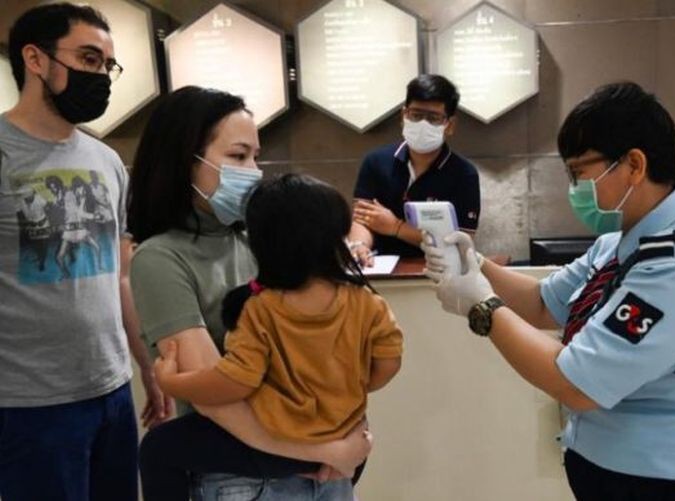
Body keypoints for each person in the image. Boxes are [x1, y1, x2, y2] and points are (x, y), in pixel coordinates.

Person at [422, 82, 675, 500]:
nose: (575, 188)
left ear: (634, 165)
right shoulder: (621, 243)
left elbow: (576, 384)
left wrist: (483, 307)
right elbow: (543, 304)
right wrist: (475, 264)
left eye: (580, 172)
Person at [128, 86, 374, 500]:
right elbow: (214, 396)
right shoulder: (160, 259)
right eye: (238, 156)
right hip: (249, 478)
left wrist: (352, 432)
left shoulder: (256, 238)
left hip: (324, 471)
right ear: (186, 159)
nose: (254, 172)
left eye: (256, 157)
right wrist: (326, 450)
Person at [0, 3, 169, 500]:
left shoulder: (107, 160)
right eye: (88, 59)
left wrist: (147, 366)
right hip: (28, 405)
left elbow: (121, 275)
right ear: (35, 59)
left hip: (110, 391)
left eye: (107, 66)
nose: (100, 77)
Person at [147, 173, 403, 500]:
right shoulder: (368, 303)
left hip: (277, 442)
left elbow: (235, 382)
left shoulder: (260, 310)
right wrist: (345, 385)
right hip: (345, 434)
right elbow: (388, 364)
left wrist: (172, 383)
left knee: (157, 448)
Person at [348, 74, 480, 265]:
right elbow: (362, 219)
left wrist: (396, 227)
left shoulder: (464, 173)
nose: (423, 124)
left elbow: (462, 242)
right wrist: (359, 245)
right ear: (404, 116)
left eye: (433, 118)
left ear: (449, 125)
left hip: (439, 271)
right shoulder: (375, 161)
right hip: (379, 268)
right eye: (416, 115)